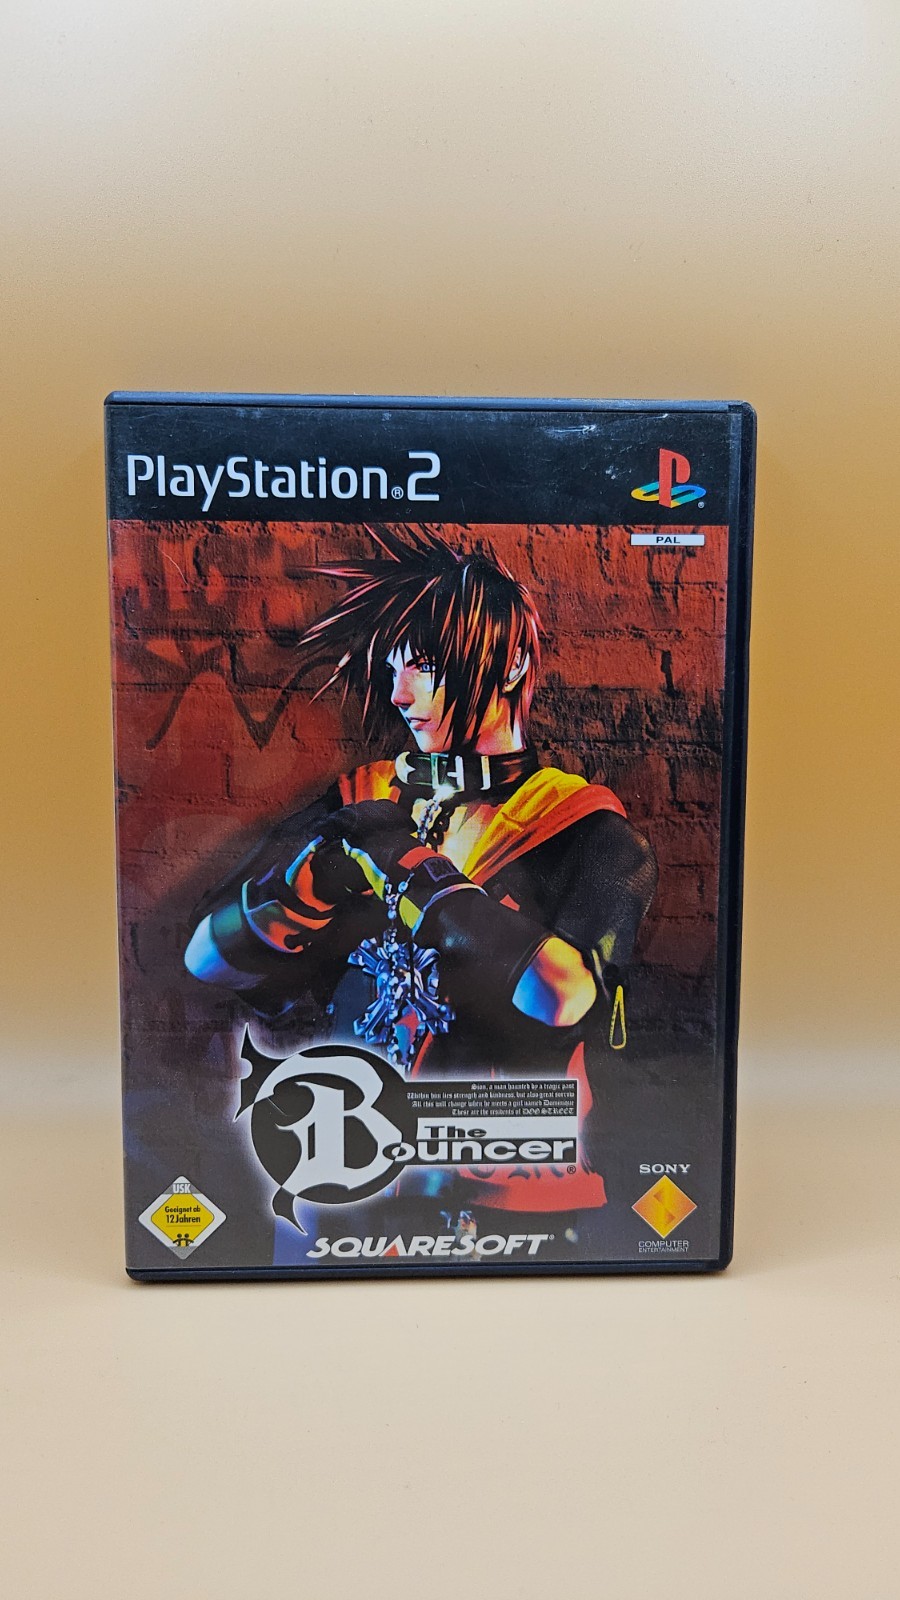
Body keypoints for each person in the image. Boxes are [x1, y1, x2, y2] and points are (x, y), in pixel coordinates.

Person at [185, 523, 657, 1219]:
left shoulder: (584, 828)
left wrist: (406, 867)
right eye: (392, 670)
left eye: (425, 665)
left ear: (509, 666)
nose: (400, 695)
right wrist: (307, 885)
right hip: (347, 1176)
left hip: (508, 1200)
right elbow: (205, 958)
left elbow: (564, 998)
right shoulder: (360, 800)